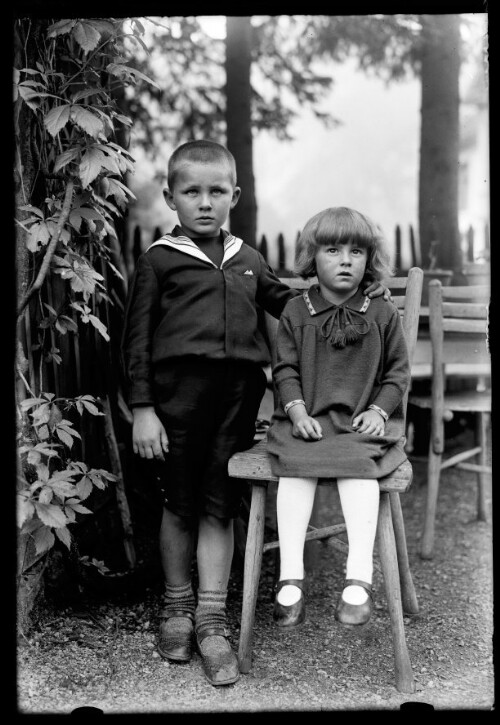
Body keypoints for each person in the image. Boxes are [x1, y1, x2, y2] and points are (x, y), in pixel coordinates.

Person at [121, 142, 390, 687]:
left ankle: (212, 619)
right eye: (191, 192)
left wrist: (355, 287)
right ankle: (177, 607)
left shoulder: (247, 259)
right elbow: (137, 340)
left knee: (219, 503)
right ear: (171, 197)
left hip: (237, 398)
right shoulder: (160, 261)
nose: (204, 203)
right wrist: (143, 408)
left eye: (216, 192)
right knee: (179, 502)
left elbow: (295, 304)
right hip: (176, 399)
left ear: (234, 197)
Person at [266, 206, 410, 630]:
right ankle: (290, 574)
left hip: (360, 424)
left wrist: (379, 411)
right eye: (333, 249)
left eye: (356, 251)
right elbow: (285, 369)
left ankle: (359, 577)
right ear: (313, 258)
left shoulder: (381, 312)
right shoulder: (296, 310)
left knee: (359, 468)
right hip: (305, 421)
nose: (346, 259)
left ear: (370, 259)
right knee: (294, 467)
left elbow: (397, 372)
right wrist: (295, 410)